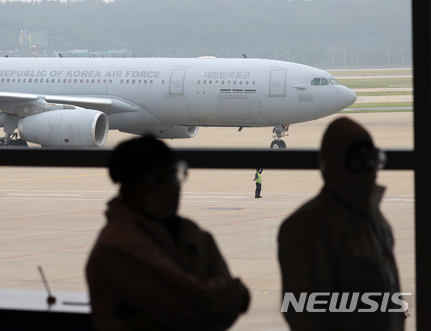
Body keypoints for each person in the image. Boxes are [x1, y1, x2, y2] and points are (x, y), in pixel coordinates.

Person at [86, 135, 250, 330]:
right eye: (160, 178)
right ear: (130, 186)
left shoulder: (183, 230)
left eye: (175, 174)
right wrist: (235, 293)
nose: (173, 186)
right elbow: (200, 306)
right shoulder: (118, 247)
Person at [278, 117, 403, 331]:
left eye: (374, 160)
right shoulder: (306, 227)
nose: (371, 170)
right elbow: (303, 315)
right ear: (335, 165)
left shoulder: (376, 221)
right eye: (361, 161)